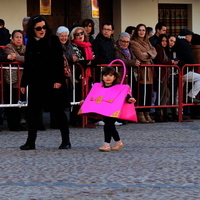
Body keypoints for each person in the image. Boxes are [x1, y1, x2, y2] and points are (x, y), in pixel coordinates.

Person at [19, 15, 71, 150]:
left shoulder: (52, 40)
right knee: (33, 113)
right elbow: (28, 64)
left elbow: (59, 62)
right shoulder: (30, 42)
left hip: (53, 82)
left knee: (58, 112)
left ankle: (66, 140)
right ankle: (31, 142)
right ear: (32, 29)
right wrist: (24, 83)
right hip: (36, 83)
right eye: (38, 28)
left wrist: (59, 80)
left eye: (44, 27)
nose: (42, 30)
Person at [80, 66, 136, 152]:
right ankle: (118, 142)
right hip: (105, 110)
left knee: (108, 125)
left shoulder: (119, 88)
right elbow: (92, 95)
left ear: (114, 77)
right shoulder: (99, 87)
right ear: (102, 77)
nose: (108, 77)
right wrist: (85, 100)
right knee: (110, 126)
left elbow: (125, 96)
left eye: (110, 75)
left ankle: (107, 144)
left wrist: (129, 99)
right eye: (105, 75)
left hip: (113, 110)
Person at [130, 23, 157, 123]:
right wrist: (149, 54)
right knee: (141, 92)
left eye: (143, 30)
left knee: (148, 92)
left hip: (149, 70)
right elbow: (140, 56)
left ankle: (147, 113)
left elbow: (155, 52)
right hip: (141, 71)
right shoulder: (133, 43)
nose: (142, 32)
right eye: (140, 30)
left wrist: (147, 54)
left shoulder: (147, 42)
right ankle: (140, 113)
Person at [69, 26, 94, 126]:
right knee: (78, 97)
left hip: (87, 75)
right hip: (77, 75)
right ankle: (75, 119)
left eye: (82, 33)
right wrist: (89, 62)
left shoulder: (88, 46)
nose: (80, 36)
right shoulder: (73, 46)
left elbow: (94, 60)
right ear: (73, 36)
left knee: (87, 96)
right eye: (77, 34)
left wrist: (89, 62)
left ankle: (85, 118)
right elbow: (81, 61)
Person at [4, 30, 26, 131]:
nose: (19, 39)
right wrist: (21, 58)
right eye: (17, 37)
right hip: (12, 80)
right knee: (11, 102)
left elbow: (29, 58)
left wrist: (17, 57)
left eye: (20, 37)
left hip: (22, 80)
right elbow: (12, 58)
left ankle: (19, 123)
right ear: (12, 39)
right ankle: (12, 125)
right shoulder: (9, 47)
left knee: (20, 103)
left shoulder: (24, 48)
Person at [154, 34, 179, 122]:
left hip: (165, 74)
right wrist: (170, 62)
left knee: (165, 94)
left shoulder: (165, 49)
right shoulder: (159, 48)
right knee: (161, 94)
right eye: (163, 41)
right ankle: (159, 114)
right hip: (161, 74)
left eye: (166, 41)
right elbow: (160, 61)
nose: (164, 42)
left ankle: (164, 113)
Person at [114, 32, 140, 97]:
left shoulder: (129, 49)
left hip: (129, 74)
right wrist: (132, 63)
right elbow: (119, 60)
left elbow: (133, 58)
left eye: (127, 42)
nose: (126, 44)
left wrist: (136, 61)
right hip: (121, 74)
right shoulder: (116, 48)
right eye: (124, 41)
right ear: (119, 41)